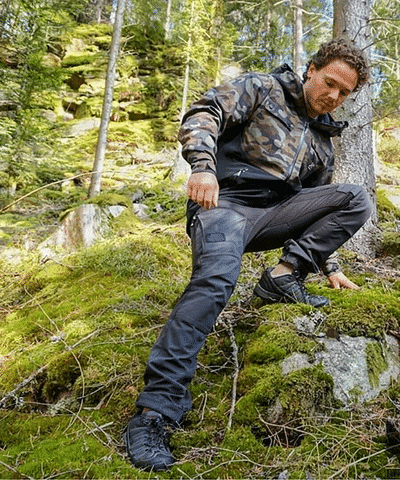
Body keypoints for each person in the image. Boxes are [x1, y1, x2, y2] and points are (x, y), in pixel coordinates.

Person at [124, 39, 372, 471]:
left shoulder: (323, 140)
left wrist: (328, 265)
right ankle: (154, 412)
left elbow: (319, 206)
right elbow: (205, 112)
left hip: (276, 214)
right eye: (330, 82)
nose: (333, 95)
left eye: (344, 92)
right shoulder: (263, 88)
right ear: (311, 70)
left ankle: (283, 276)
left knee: (356, 197)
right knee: (216, 281)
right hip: (224, 205)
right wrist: (203, 167)